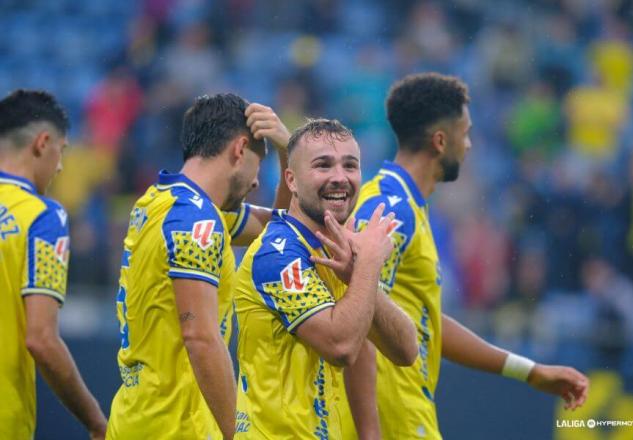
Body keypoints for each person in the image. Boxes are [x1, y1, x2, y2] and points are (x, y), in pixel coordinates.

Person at [351, 73, 590, 439]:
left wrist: (528, 370)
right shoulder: (390, 207)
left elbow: (425, 323)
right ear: (440, 140)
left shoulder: (404, 203)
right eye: (465, 133)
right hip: (392, 418)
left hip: (405, 411)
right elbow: (358, 312)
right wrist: (370, 431)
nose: (470, 145)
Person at [106, 93, 291, 439]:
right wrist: (235, 434)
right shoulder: (196, 222)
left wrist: (286, 153)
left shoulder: (159, 202)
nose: (255, 183)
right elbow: (201, 337)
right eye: (256, 164)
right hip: (176, 425)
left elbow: (279, 229)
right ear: (239, 149)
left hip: (136, 415)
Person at [233, 118, 418, 439]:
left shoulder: (335, 249)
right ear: (290, 179)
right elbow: (342, 346)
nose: (340, 178)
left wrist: (359, 275)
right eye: (323, 165)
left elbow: (406, 352)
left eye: (350, 166)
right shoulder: (278, 255)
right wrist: (369, 264)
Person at [0, 90, 107, 439]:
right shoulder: (42, 217)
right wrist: (95, 421)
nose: (60, 166)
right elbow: (41, 339)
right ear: (43, 143)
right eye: (61, 151)